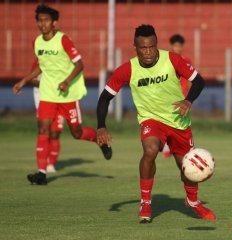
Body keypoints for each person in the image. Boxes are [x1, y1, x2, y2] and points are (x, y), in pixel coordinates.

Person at [96, 25, 216, 222]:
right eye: (143, 48)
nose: (148, 52)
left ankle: (193, 202)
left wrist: (188, 100)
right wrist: (101, 125)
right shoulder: (128, 69)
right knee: (150, 151)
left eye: (152, 46)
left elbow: (199, 81)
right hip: (151, 119)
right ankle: (145, 202)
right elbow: (104, 98)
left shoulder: (172, 59)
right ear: (135, 47)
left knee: (186, 167)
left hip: (178, 120)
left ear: (156, 44)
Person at [13, 4, 112, 185]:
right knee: (43, 129)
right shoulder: (37, 42)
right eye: (39, 20)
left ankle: (100, 141)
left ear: (54, 23)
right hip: (48, 93)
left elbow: (79, 64)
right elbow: (42, 66)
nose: (42, 24)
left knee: (76, 132)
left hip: (68, 95)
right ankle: (42, 173)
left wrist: (66, 81)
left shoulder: (63, 40)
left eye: (46, 20)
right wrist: (24, 80)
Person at [161, 34, 193, 158]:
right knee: (168, 122)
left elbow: (191, 79)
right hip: (169, 97)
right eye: (175, 46)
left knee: (182, 123)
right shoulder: (166, 61)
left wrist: (190, 97)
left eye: (180, 46)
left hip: (183, 98)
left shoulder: (186, 61)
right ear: (171, 46)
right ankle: (167, 145)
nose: (177, 48)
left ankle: (182, 147)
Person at [31, 60, 63, 173]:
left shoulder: (65, 60)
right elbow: (33, 79)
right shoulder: (39, 60)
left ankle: (51, 164)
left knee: (55, 133)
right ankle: (42, 168)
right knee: (44, 130)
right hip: (43, 99)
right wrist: (47, 85)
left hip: (60, 99)